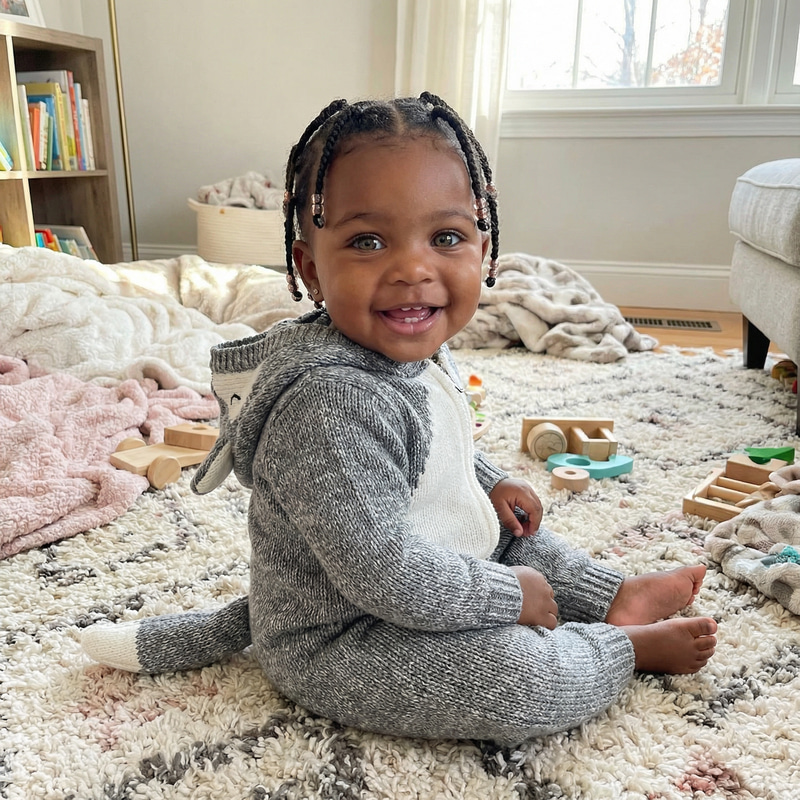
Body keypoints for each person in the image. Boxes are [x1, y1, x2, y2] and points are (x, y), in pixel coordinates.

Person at [82, 93, 717, 745]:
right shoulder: (329, 401)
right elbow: (383, 572)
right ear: (310, 270)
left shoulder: (410, 342)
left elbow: (426, 443)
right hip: (346, 630)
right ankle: (619, 649)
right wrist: (507, 597)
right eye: (367, 241)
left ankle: (615, 598)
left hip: (429, 560)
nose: (414, 269)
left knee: (514, 535)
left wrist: (489, 480)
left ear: (484, 247)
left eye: (445, 237)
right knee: (516, 682)